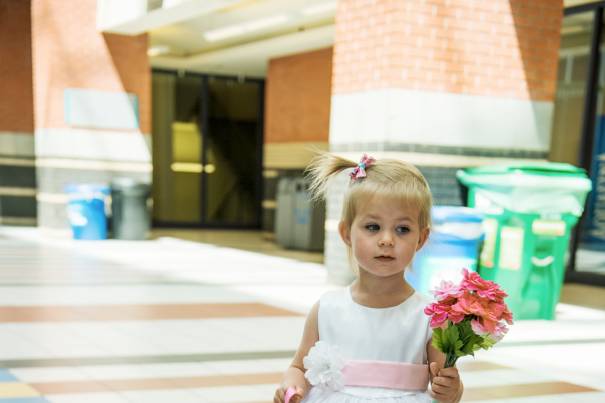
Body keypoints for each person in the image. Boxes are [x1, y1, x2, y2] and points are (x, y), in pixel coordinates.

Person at [273, 153, 463, 403]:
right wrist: (291, 387)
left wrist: (451, 388)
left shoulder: (429, 316)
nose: (387, 240)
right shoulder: (327, 309)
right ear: (346, 233)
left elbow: (447, 383)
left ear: (421, 239)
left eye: (402, 229)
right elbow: (299, 367)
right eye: (373, 227)